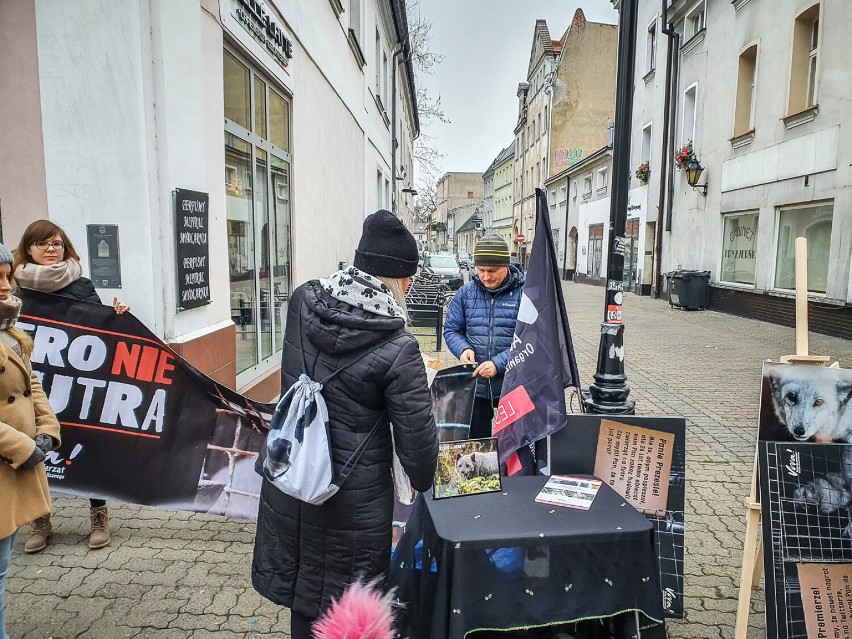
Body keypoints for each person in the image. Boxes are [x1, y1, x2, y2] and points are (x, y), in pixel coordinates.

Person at [252, 210, 438, 639]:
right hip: (353, 502)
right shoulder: (398, 347)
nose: (409, 288)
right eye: (407, 279)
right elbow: (420, 457)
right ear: (396, 280)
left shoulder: (302, 302)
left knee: (304, 600)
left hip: (294, 477)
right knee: (347, 611)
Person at [12, 220, 129, 552]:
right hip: (32, 385)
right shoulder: (14, 288)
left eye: (58, 244)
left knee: (86, 442)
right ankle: (40, 519)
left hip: (76, 383)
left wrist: (118, 314)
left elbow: (102, 327)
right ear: (28, 248)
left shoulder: (80, 285)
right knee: (35, 446)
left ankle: (98, 514)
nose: (52, 249)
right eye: (44, 244)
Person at [0, 243, 61, 639]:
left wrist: (47, 428)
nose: (6, 286)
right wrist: (23, 448)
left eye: (7, 276)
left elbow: (30, 387)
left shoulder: (9, 332)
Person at [444, 234, 525, 439]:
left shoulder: (525, 295)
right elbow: (452, 329)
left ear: (506, 265)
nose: (486, 277)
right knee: (477, 442)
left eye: (492, 271)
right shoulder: (465, 294)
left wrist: (498, 364)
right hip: (477, 387)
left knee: (513, 444)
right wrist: (463, 349)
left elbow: (531, 341)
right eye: (481, 270)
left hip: (513, 385)